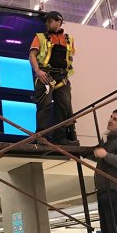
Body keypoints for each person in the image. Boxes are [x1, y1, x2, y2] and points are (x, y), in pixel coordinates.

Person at [29, 10, 77, 145]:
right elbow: (32, 55)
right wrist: (38, 71)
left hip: (62, 77)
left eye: (49, 21)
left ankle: (61, 138)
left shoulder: (69, 39)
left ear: (58, 22)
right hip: (46, 75)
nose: (47, 24)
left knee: (63, 107)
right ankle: (41, 137)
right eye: (46, 21)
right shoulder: (40, 37)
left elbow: (70, 58)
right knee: (44, 107)